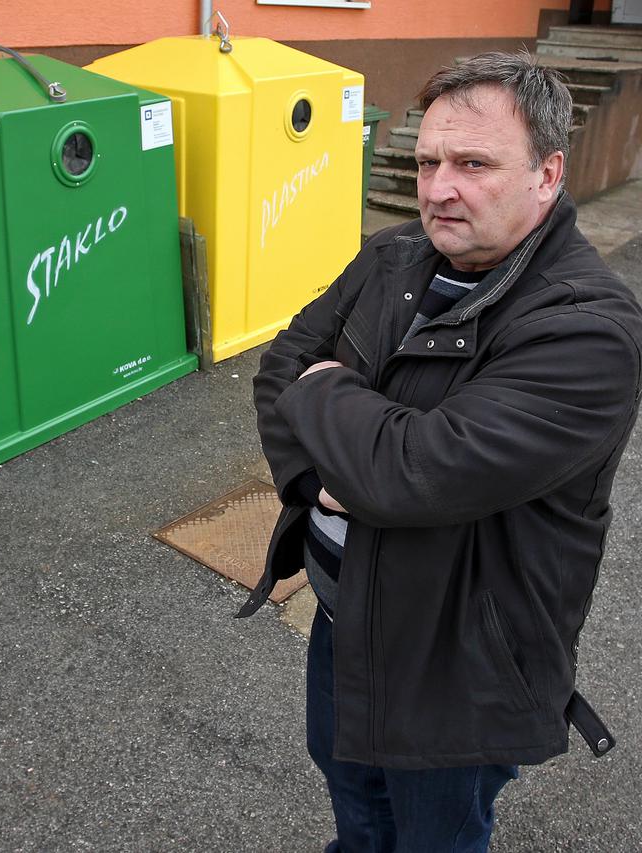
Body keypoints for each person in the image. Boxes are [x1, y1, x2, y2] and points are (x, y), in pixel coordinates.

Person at [243, 52, 642, 853]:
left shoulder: (589, 331)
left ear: (547, 173)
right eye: (427, 161)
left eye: (472, 163)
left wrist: (334, 401)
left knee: (435, 835)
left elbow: (412, 473)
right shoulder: (395, 255)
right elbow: (280, 369)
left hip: (459, 661)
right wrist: (327, 483)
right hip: (345, 613)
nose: (436, 189)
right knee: (352, 797)